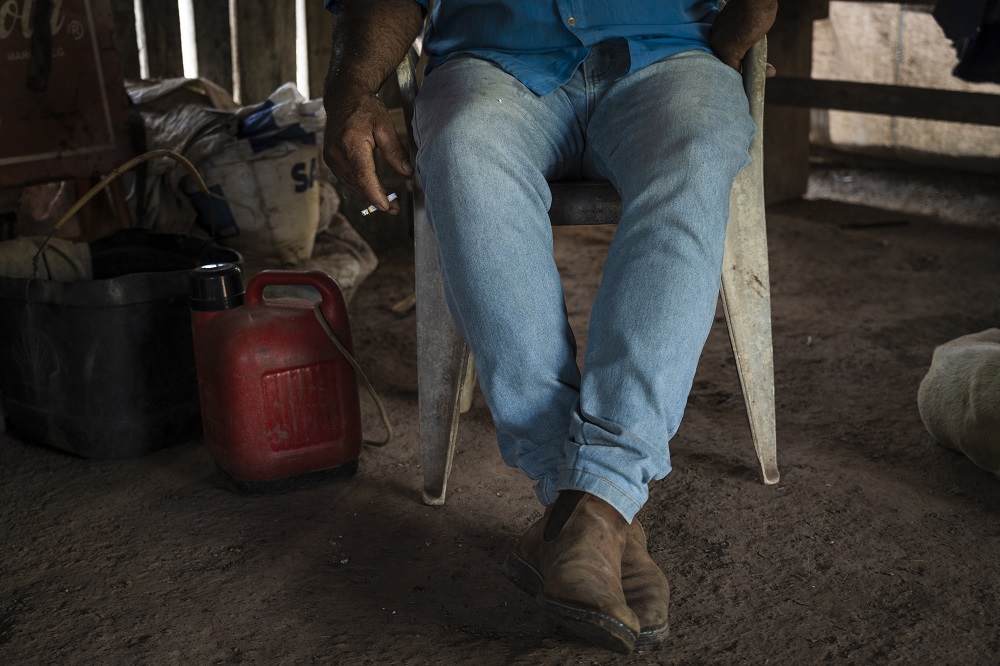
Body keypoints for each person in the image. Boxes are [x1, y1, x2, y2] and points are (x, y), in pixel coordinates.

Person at [322, 0, 777, 654]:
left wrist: (728, 48)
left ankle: (583, 512)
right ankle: (598, 511)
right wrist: (351, 92)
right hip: (491, 68)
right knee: (462, 146)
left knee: (698, 147)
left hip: (667, 58)